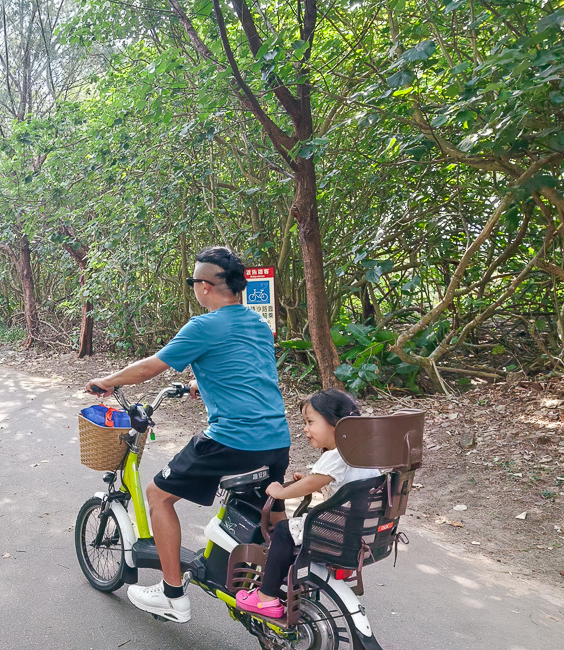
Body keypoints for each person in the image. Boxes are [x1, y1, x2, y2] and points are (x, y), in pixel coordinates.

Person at [86, 246, 290, 623]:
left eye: (194, 281)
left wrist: (106, 381)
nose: (193, 286)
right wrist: (201, 381)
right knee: (262, 514)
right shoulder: (256, 324)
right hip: (276, 440)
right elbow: (246, 371)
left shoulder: (204, 325)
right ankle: (265, 585)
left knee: (157, 495)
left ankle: (172, 595)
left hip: (233, 439)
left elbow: (150, 368)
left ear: (208, 286)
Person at [235, 389, 380, 619]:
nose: (305, 429)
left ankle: (266, 597)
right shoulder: (362, 451)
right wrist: (311, 482)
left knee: (284, 530)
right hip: (363, 529)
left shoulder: (338, 454)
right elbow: (336, 484)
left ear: (336, 424)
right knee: (299, 524)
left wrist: (281, 492)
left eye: (310, 422)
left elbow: (312, 483)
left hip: (339, 532)